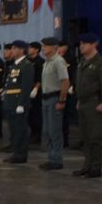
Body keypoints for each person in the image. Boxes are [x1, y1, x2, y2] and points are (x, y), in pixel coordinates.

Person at [74, 34, 102, 178]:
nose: (81, 47)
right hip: (84, 102)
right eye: (81, 44)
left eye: (85, 44)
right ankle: (87, 165)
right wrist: (79, 99)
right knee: (85, 137)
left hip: (95, 102)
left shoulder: (101, 63)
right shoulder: (82, 62)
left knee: (95, 137)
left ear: (93, 45)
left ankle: (96, 167)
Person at [38, 37, 71, 171]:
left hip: (54, 98)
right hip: (46, 98)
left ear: (53, 47)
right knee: (47, 130)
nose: (43, 48)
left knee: (55, 130)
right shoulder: (47, 62)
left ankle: (56, 159)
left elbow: (65, 82)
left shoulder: (58, 61)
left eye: (45, 46)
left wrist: (62, 100)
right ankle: (51, 158)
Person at [2, 40, 36, 164]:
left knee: (20, 129)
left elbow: (26, 86)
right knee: (13, 129)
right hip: (11, 102)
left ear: (22, 50)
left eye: (15, 48)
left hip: (18, 103)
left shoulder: (26, 65)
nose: (12, 50)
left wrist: (21, 103)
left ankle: (21, 154)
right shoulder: (15, 65)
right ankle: (16, 152)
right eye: (12, 48)